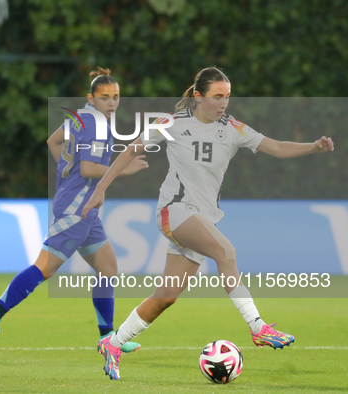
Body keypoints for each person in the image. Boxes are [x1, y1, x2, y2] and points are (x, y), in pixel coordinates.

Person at [82, 67, 335, 380]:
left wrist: (313, 146)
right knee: (225, 251)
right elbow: (131, 149)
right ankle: (259, 328)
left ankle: (114, 343)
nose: (224, 103)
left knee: (166, 297)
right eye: (217, 96)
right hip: (174, 210)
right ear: (198, 96)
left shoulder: (233, 128)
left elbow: (278, 147)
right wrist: (101, 188)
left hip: (200, 217)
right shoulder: (172, 123)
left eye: (227, 96)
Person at [0, 67, 149, 355]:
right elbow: (89, 168)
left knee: (107, 268)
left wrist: (68, 176)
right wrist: (123, 170)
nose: (112, 103)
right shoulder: (98, 125)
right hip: (77, 207)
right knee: (45, 268)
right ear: (91, 98)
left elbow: (52, 142)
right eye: (105, 97)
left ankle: (107, 338)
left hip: (83, 205)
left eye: (116, 97)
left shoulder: (80, 116)